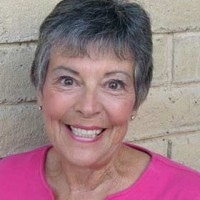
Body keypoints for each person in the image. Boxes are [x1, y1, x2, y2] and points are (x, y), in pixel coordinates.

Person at [0, 0, 200, 199]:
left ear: (137, 99)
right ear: (40, 89)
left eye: (114, 84)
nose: (88, 107)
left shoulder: (188, 192)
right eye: (68, 81)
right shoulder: (5, 178)